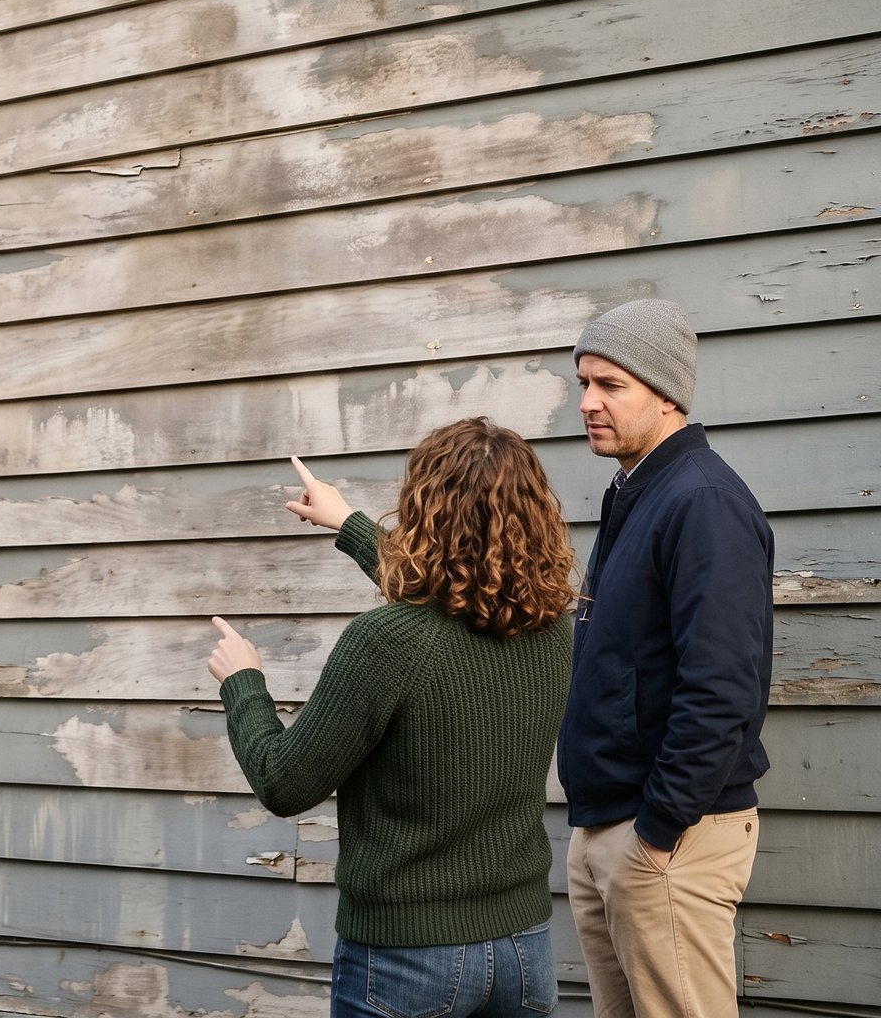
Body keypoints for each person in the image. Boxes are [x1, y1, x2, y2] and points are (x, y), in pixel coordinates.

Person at [208, 419, 576, 1018]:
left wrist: (242, 682)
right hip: (522, 951)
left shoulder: (384, 643)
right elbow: (454, 607)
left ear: (423, 508)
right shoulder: (553, 629)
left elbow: (284, 782)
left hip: (408, 958)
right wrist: (349, 523)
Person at [560, 298, 773, 1018]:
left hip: (668, 838)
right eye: (584, 383)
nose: (588, 403)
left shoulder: (702, 501)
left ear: (668, 395)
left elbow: (721, 687)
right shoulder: (635, 492)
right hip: (608, 828)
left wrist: (656, 834)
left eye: (611, 386)